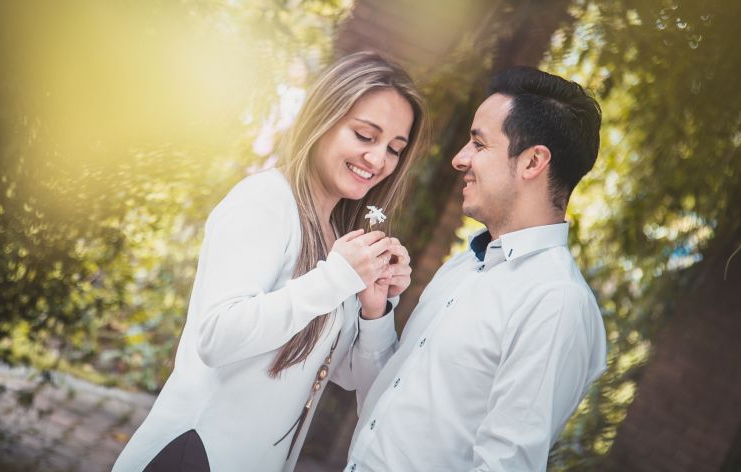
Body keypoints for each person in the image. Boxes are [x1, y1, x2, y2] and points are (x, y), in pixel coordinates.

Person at [112, 51, 428, 472]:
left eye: (394, 148)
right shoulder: (265, 201)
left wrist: (375, 309)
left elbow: (350, 378)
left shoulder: (335, 235)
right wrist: (335, 278)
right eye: (364, 136)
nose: (378, 160)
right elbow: (216, 336)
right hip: (194, 455)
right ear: (323, 119)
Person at [344, 66, 607, 472]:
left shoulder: (556, 303)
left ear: (533, 161)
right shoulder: (466, 266)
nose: (459, 159)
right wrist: (376, 313)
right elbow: (386, 405)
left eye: (479, 144)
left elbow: (505, 465)